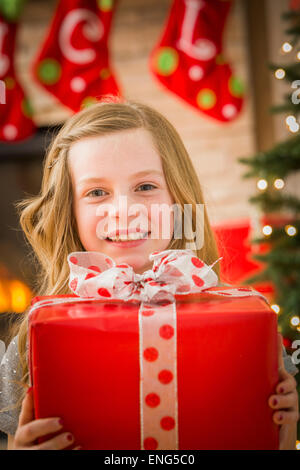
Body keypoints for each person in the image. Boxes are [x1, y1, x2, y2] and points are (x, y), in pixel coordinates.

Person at [0, 97, 298, 450]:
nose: (124, 211)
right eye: (97, 192)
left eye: (145, 187)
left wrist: (284, 433)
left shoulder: (245, 326)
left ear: (178, 199)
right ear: (71, 212)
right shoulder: (30, 345)